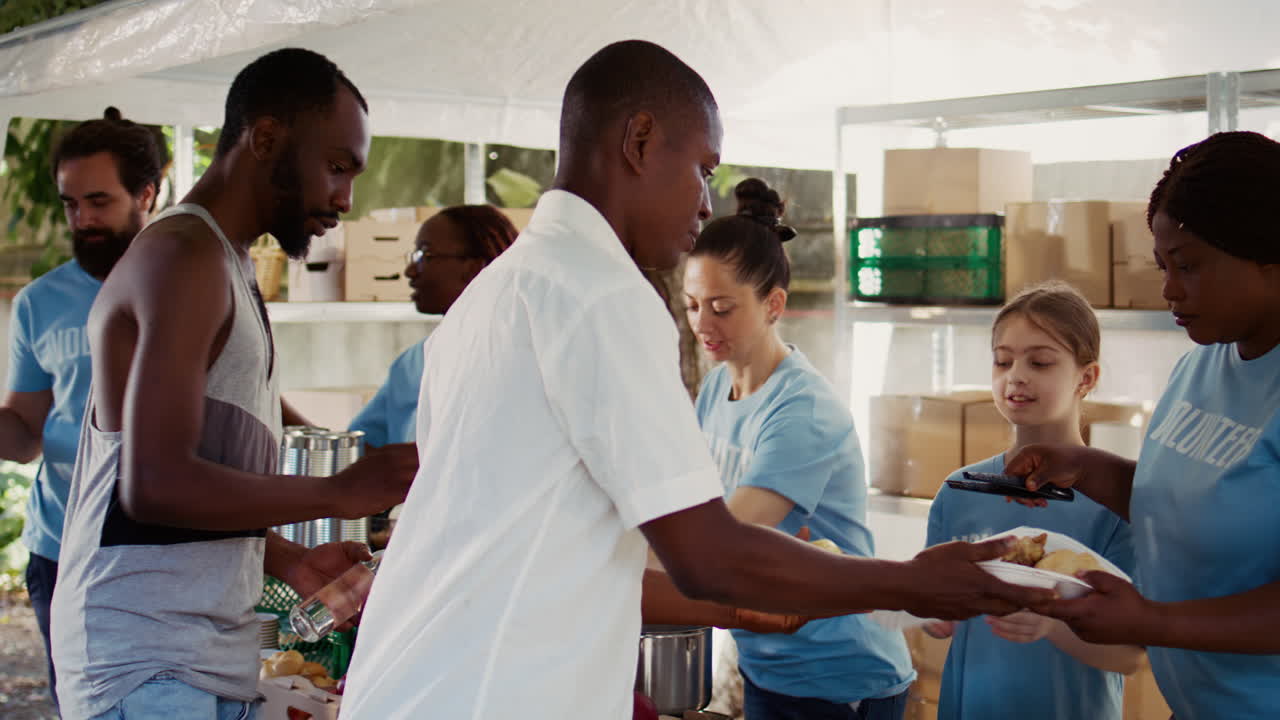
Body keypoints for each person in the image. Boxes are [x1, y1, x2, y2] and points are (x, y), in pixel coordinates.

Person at [340, 40, 1050, 720]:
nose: (707, 202)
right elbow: (707, 553)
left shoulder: (499, 292)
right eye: (703, 169)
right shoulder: (602, 293)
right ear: (640, 140)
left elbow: (572, 555)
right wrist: (911, 583)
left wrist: (760, 600)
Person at [50, 48, 418, 720]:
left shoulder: (225, 263)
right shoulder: (183, 255)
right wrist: (339, 491)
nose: (345, 199)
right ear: (267, 138)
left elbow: (181, 496)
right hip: (148, 667)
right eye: (337, 167)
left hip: (193, 661)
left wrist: (287, 560)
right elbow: (154, 486)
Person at [1010, 131, 1280, 719]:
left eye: (1189, 266)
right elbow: (1194, 501)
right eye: (1163, 266)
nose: (1169, 289)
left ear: (1269, 256)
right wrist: (1085, 467)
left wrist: (1153, 621)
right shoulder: (1203, 362)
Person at [682, 178, 915, 720]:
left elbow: (723, 540)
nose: (702, 324)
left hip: (839, 671)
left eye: (722, 307)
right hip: (768, 662)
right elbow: (692, 503)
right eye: (692, 306)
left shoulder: (802, 409)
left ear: (774, 305)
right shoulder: (716, 387)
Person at [0, 107, 165, 711]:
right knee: (78, 706)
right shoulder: (39, 302)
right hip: (61, 547)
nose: (83, 220)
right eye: (71, 204)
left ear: (146, 194)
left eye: (99, 201)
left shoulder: (189, 284)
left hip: (164, 548)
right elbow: (24, 436)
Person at [924, 282, 1143, 720]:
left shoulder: (1116, 501)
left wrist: (1052, 625)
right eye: (1003, 361)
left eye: (1040, 362)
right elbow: (935, 613)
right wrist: (931, 615)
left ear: (1086, 378)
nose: (1016, 376)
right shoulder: (960, 490)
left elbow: (1130, 655)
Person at [348, 205, 518, 448]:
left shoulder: (516, 356)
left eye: (424, 255)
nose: (409, 271)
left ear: (474, 268)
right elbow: (362, 447)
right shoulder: (413, 363)